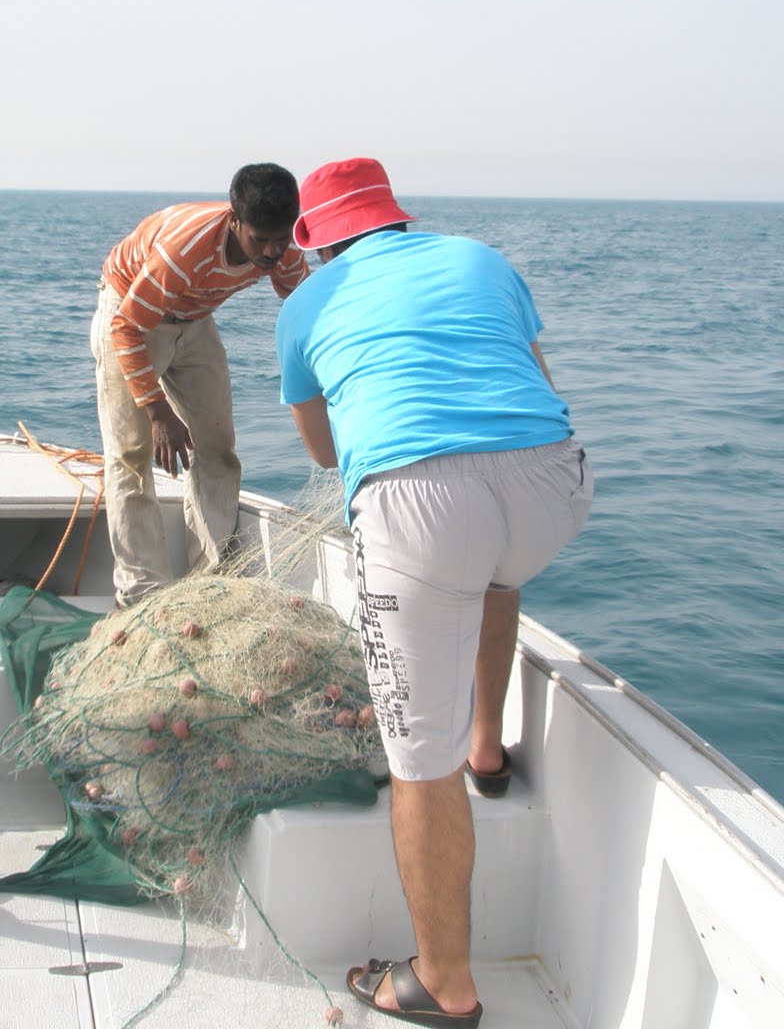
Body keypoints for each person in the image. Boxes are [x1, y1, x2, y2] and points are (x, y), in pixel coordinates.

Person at [275, 157, 593, 1027]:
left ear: (319, 239)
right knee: (494, 570)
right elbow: (539, 383)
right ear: (394, 217)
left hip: (421, 501)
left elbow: (326, 454)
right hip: (554, 483)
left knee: (419, 760)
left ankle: (442, 984)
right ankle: (488, 746)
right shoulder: (482, 259)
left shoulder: (304, 305)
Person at [92, 164, 307, 606]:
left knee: (217, 447)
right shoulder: (184, 251)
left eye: (280, 238)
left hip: (193, 317)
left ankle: (208, 583)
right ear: (234, 221)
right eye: (259, 239)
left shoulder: (285, 249)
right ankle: (141, 593)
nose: (271, 252)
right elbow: (128, 329)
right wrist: (158, 412)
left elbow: (303, 302)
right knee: (130, 455)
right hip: (131, 312)